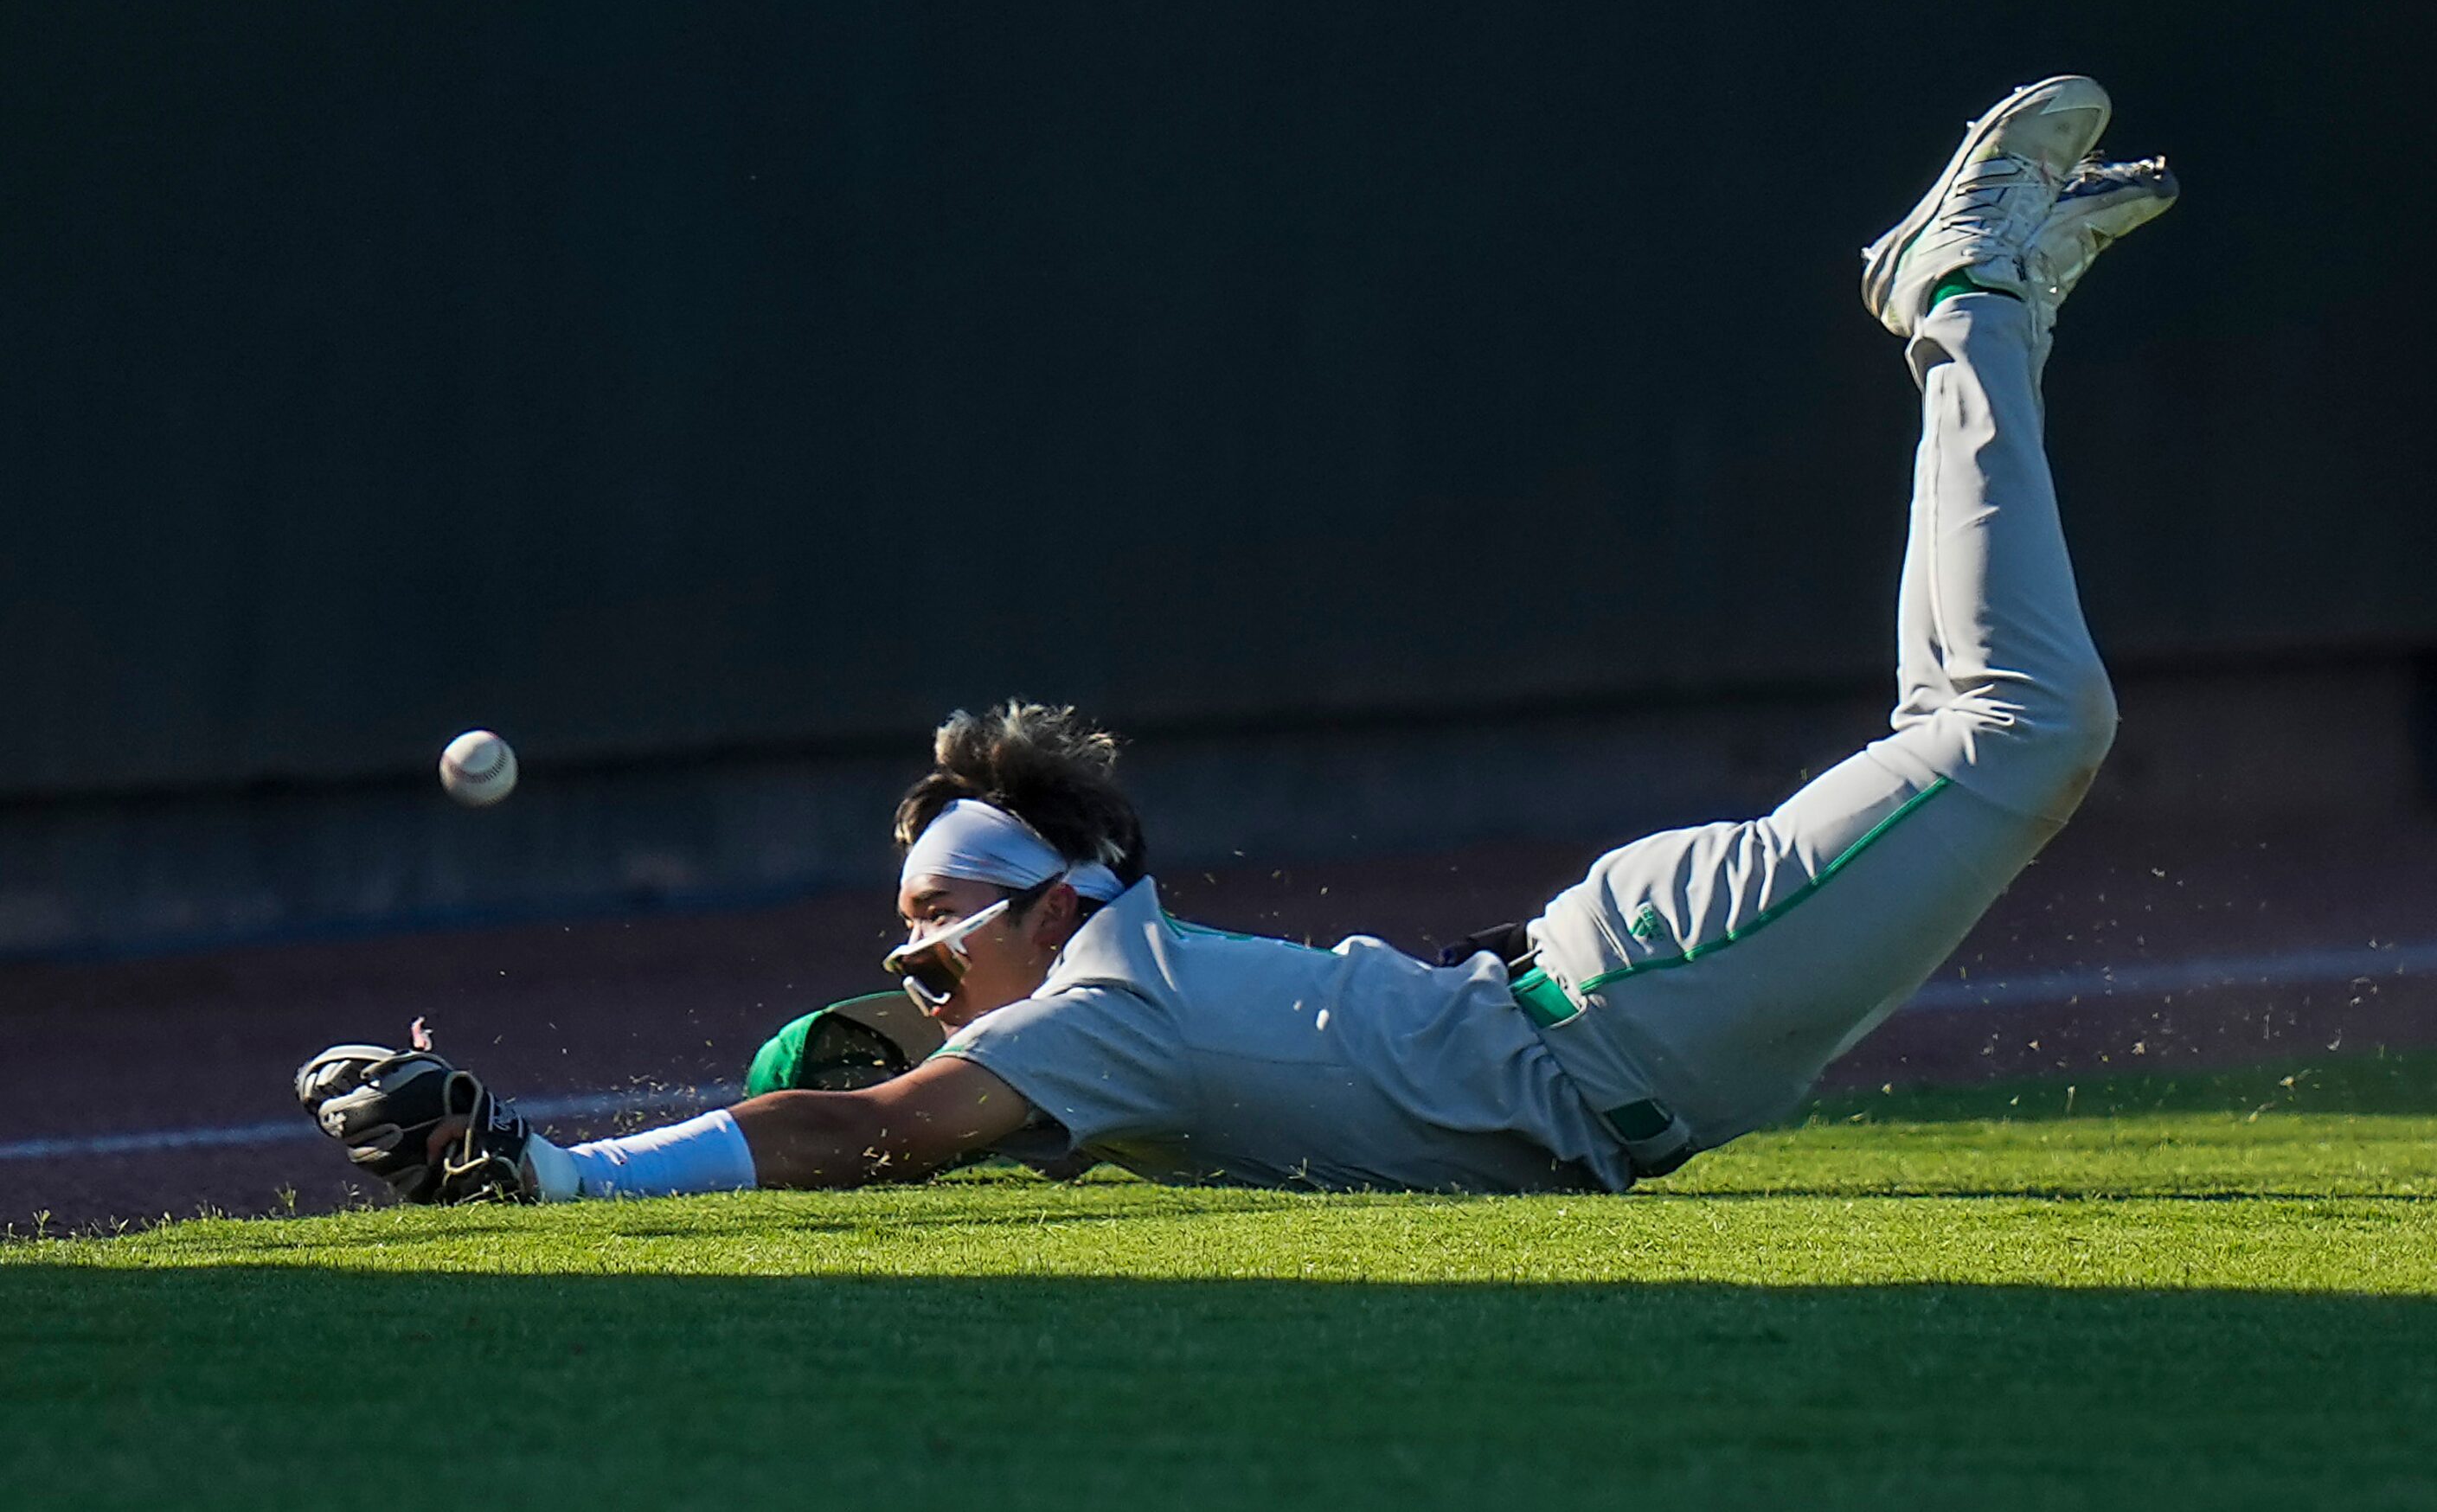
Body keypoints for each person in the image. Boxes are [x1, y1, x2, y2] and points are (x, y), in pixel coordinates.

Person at [298, 74, 2177, 1202]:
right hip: (1614, 1029)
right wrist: (592, 1125)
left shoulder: (1115, 1005)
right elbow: (855, 1080)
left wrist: (550, 1172)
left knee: (2020, 724)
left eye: (945, 911)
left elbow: (862, 1133)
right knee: (1981, 713)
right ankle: (1975, 311)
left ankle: (1961, 300)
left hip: (1627, 1012)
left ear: (1059, 892)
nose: (915, 948)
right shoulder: (1095, 1005)